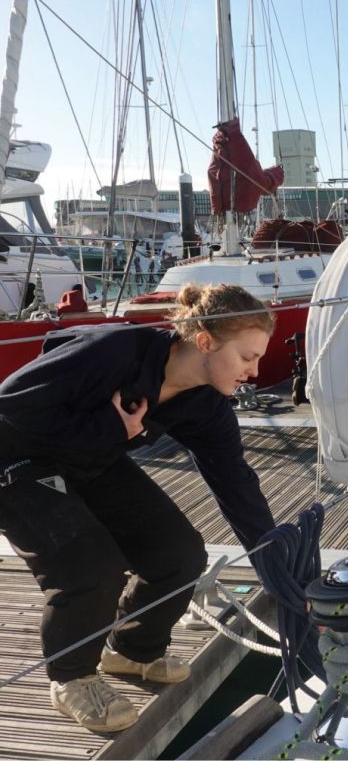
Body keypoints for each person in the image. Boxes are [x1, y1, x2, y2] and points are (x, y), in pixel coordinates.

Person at [0, 283, 277, 732]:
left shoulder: (206, 405)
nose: (256, 371)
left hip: (94, 456)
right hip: (16, 461)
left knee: (179, 552)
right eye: (248, 357)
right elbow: (12, 402)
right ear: (204, 342)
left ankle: (132, 650)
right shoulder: (115, 351)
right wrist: (103, 426)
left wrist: (281, 572)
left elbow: (237, 486)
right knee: (91, 566)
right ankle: (70, 678)